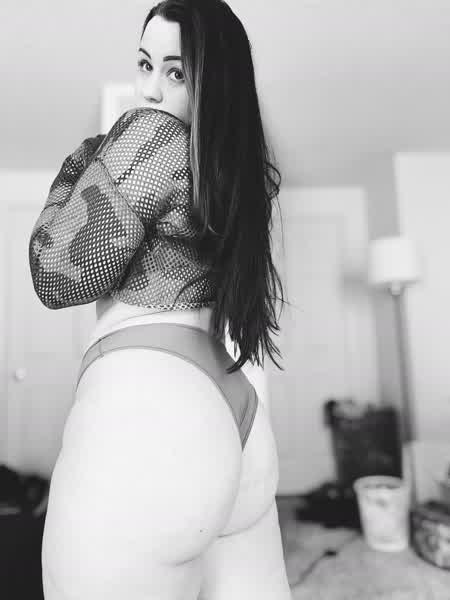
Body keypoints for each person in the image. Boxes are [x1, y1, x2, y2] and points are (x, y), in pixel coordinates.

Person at [29, 1, 292, 598]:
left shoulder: (150, 135)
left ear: (213, 81)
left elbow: (56, 274)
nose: (149, 90)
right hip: (237, 415)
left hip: (150, 408)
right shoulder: (234, 174)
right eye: (145, 65)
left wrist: (82, 163)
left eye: (176, 72)